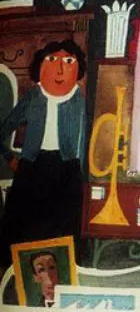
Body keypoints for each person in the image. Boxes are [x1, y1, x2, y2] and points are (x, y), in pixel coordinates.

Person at [0, 40, 86, 268]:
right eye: (52, 60)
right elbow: (3, 130)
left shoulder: (79, 101)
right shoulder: (33, 97)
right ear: (40, 66)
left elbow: (85, 143)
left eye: (68, 61)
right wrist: (10, 158)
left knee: (62, 231)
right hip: (32, 167)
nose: (60, 69)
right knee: (24, 229)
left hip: (66, 169)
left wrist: (81, 175)